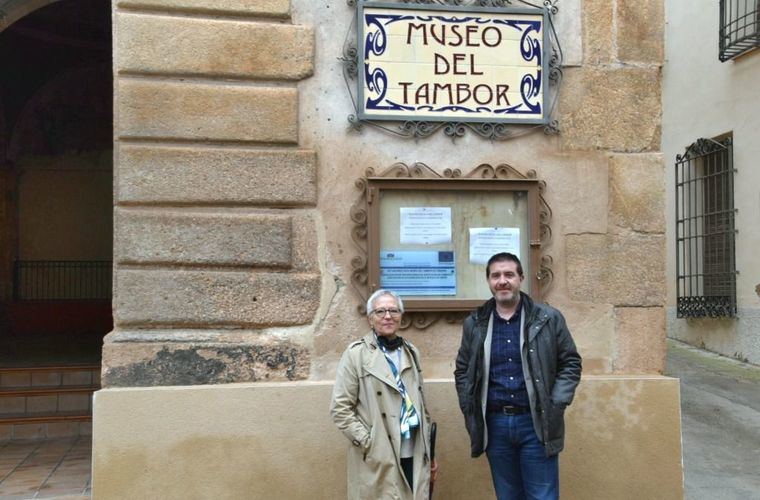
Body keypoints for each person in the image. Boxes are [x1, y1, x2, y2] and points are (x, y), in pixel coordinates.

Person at [454, 252, 581, 500]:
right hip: (496, 425)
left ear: (520, 278)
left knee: (542, 496)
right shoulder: (476, 322)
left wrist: (555, 404)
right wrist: (469, 404)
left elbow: (571, 363)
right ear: (489, 281)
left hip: (536, 423)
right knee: (508, 496)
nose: (503, 281)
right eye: (496, 275)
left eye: (509, 274)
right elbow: (462, 369)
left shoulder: (548, 318)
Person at [331, 289, 437, 500]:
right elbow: (340, 409)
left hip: (413, 451)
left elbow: (421, 404)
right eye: (380, 311)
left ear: (401, 316)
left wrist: (429, 452)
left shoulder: (411, 351)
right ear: (370, 319)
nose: (388, 316)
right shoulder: (356, 354)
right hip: (380, 454)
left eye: (393, 310)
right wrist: (369, 443)